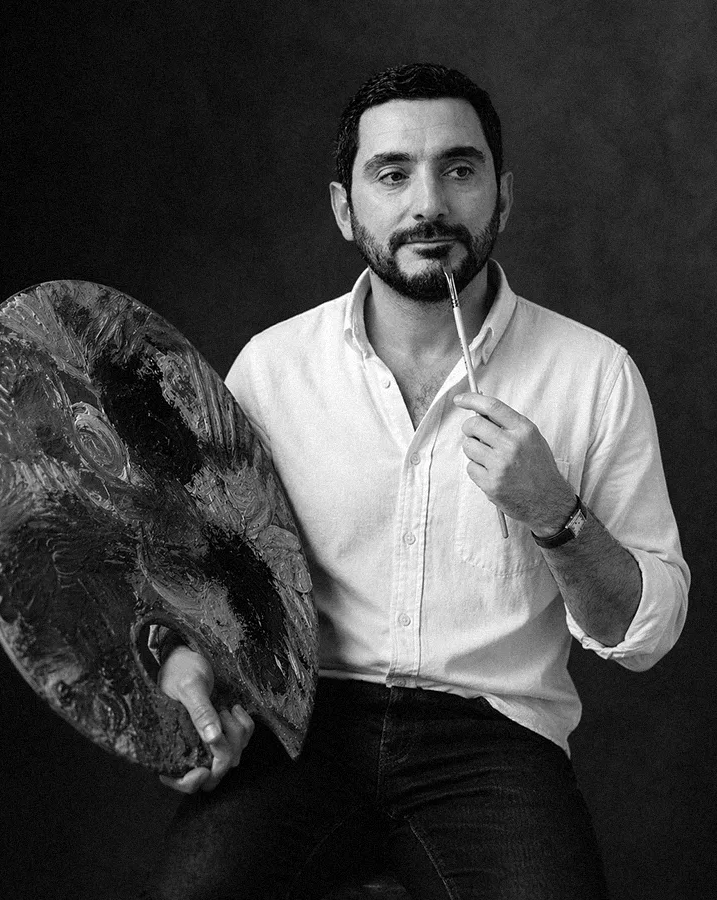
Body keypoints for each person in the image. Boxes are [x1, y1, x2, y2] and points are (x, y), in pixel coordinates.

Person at [144, 63, 689, 900]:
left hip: (494, 744)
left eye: (459, 169)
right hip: (306, 726)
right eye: (392, 174)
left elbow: (647, 634)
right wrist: (188, 668)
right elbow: (216, 580)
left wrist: (557, 514)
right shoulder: (274, 368)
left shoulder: (594, 375)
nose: (428, 203)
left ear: (503, 197)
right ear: (345, 208)